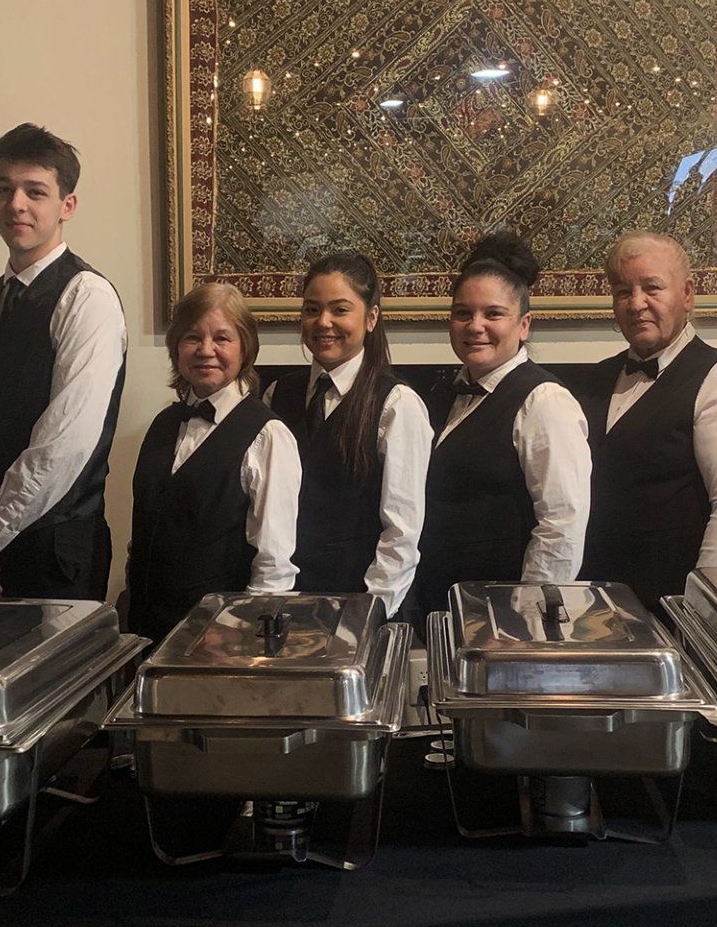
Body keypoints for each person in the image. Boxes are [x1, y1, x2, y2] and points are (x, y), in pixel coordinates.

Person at [0, 123, 127, 601]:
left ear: (67, 205)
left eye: (35, 191)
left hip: (55, 552)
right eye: (3, 189)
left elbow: (66, 442)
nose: (16, 204)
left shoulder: (87, 296)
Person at [579, 230, 717, 610]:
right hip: (594, 601)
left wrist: (704, 607)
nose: (636, 304)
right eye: (623, 291)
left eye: (652, 288)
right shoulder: (595, 378)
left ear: (688, 295)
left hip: (671, 603)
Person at [414, 232, 592, 619]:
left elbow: (561, 523)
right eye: (463, 313)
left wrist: (531, 614)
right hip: (439, 603)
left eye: (493, 314)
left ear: (523, 325)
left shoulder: (544, 401)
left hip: (503, 616)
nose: (475, 325)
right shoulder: (442, 392)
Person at [125, 283, 301, 642]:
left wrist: (247, 637)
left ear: (245, 347)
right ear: (176, 347)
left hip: (220, 639)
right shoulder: (162, 424)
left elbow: (274, 563)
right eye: (193, 337)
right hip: (146, 631)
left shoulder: (268, 435)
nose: (206, 350)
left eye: (222, 338)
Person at [263, 253, 431, 620]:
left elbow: (402, 531)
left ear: (370, 318)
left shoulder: (398, 404)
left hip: (363, 606)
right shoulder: (277, 394)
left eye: (340, 310)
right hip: (287, 604)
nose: (323, 323)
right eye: (312, 309)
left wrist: (370, 611)